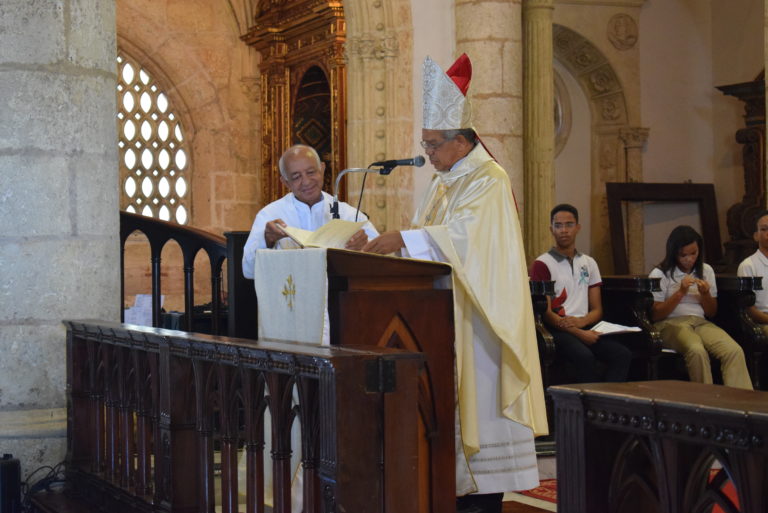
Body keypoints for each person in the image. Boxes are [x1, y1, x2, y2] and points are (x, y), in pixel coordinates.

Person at [364, 54, 548, 513]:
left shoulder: (488, 179)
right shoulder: (445, 181)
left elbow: (469, 244)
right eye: (425, 145)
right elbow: (425, 238)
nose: (428, 155)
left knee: (480, 439)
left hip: (480, 326)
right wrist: (384, 242)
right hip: (444, 324)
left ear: (461, 140)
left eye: (433, 146)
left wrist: (400, 239)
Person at [529, 204, 632, 383]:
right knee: (584, 357)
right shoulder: (542, 264)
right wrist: (579, 332)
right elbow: (545, 312)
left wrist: (583, 322)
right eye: (558, 225)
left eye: (569, 225)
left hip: (585, 324)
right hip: (558, 328)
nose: (564, 230)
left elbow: (597, 309)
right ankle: (586, 408)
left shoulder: (589, 263)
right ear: (551, 229)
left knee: (622, 354)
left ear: (578, 227)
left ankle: (606, 404)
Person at [242, 144, 378, 279]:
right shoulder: (270, 214)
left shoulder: (348, 214)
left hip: (339, 297)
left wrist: (363, 247)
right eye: (296, 177)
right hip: (291, 295)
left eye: (311, 172)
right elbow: (248, 270)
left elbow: (384, 258)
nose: (306, 182)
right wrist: (267, 240)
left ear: (322, 169)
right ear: (286, 182)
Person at [649, 225, 752, 389]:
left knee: (733, 350)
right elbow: (655, 315)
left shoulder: (706, 270)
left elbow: (711, 312)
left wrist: (705, 294)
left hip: (700, 322)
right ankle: (706, 402)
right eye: (683, 255)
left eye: (693, 253)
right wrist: (680, 293)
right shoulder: (660, 273)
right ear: (673, 252)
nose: (689, 259)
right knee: (696, 350)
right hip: (671, 323)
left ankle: (741, 403)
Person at [737, 209, 768, 331]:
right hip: (764, 323)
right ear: (756, 236)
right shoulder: (748, 266)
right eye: (764, 229)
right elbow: (749, 309)